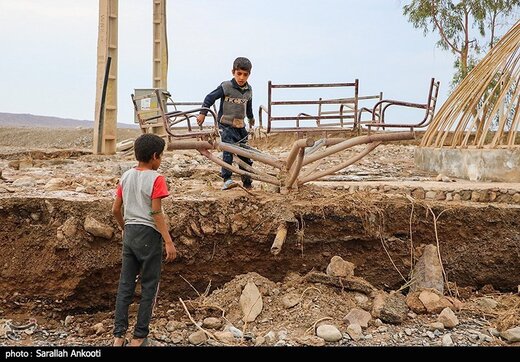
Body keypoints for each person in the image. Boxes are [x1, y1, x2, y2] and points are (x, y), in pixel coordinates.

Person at [111, 133, 177, 347]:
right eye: (161, 157)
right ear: (155, 156)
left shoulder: (125, 176)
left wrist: (124, 227)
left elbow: (115, 209)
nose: (161, 161)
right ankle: (139, 337)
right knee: (149, 286)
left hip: (130, 232)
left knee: (125, 286)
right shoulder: (156, 178)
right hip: (149, 235)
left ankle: (118, 336)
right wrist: (168, 241)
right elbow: (156, 213)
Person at [196, 57, 255, 190]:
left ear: (249, 75)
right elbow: (210, 97)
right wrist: (203, 113)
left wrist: (251, 119)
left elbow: (249, 107)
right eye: (239, 73)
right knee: (228, 150)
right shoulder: (226, 86)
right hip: (226, 125)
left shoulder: (248, 90)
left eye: (245, 75)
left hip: (240, 126)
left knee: (245, 153)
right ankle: (227, 179)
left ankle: (247, 181)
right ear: (233, 72)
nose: (241, 77)